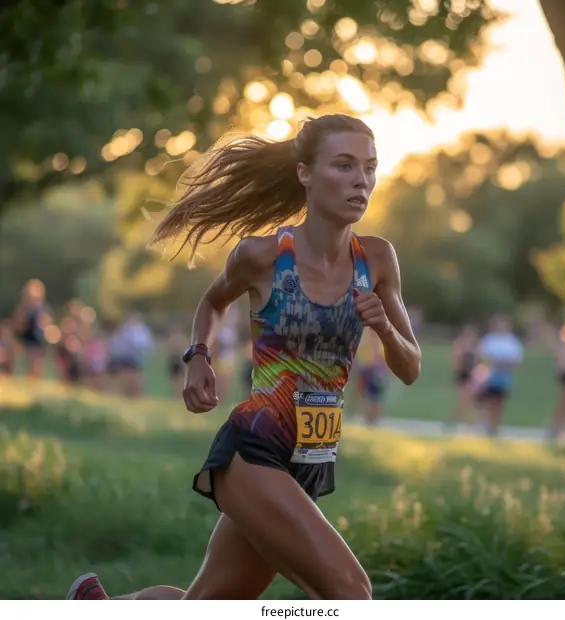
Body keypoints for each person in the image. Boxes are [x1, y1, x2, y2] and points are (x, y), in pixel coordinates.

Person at [65, 113, 421, 601]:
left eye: (370, 167)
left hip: (311, 461)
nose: (361, 180)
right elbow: (212, 302)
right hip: (253, 451)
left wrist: (382, 326)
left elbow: (410, 367)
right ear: (305, 173)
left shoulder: (377, 259)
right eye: (343, 165)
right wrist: (198, 356)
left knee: (206, 606)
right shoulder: (264, 256)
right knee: (350, 594)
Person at [476, 315, 523, 436]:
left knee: (500, 402)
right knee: (487, 401)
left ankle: (495, 426)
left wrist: (503, 363)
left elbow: (516, 360)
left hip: (504, 376)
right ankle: (485, 424)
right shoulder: (489, 339)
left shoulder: (512, 341)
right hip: (488, 375)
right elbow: (482, 357)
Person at [354, 327, 390, 425]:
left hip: (376, 369)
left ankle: (373, 417)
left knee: (374, 395)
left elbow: (380, 355)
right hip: (368, 367)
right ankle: (370, 417)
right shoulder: (367, 335)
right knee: (369, 394)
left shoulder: (377, 338)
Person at [447, 324, 479, 429]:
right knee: (464, 400)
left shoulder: (475, 346)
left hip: (471, 375)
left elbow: (477, 361)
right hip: (463, 375)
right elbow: (455, 360)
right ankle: (461, 422)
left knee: (468, 401)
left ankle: (465, 422)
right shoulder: (460, 345)